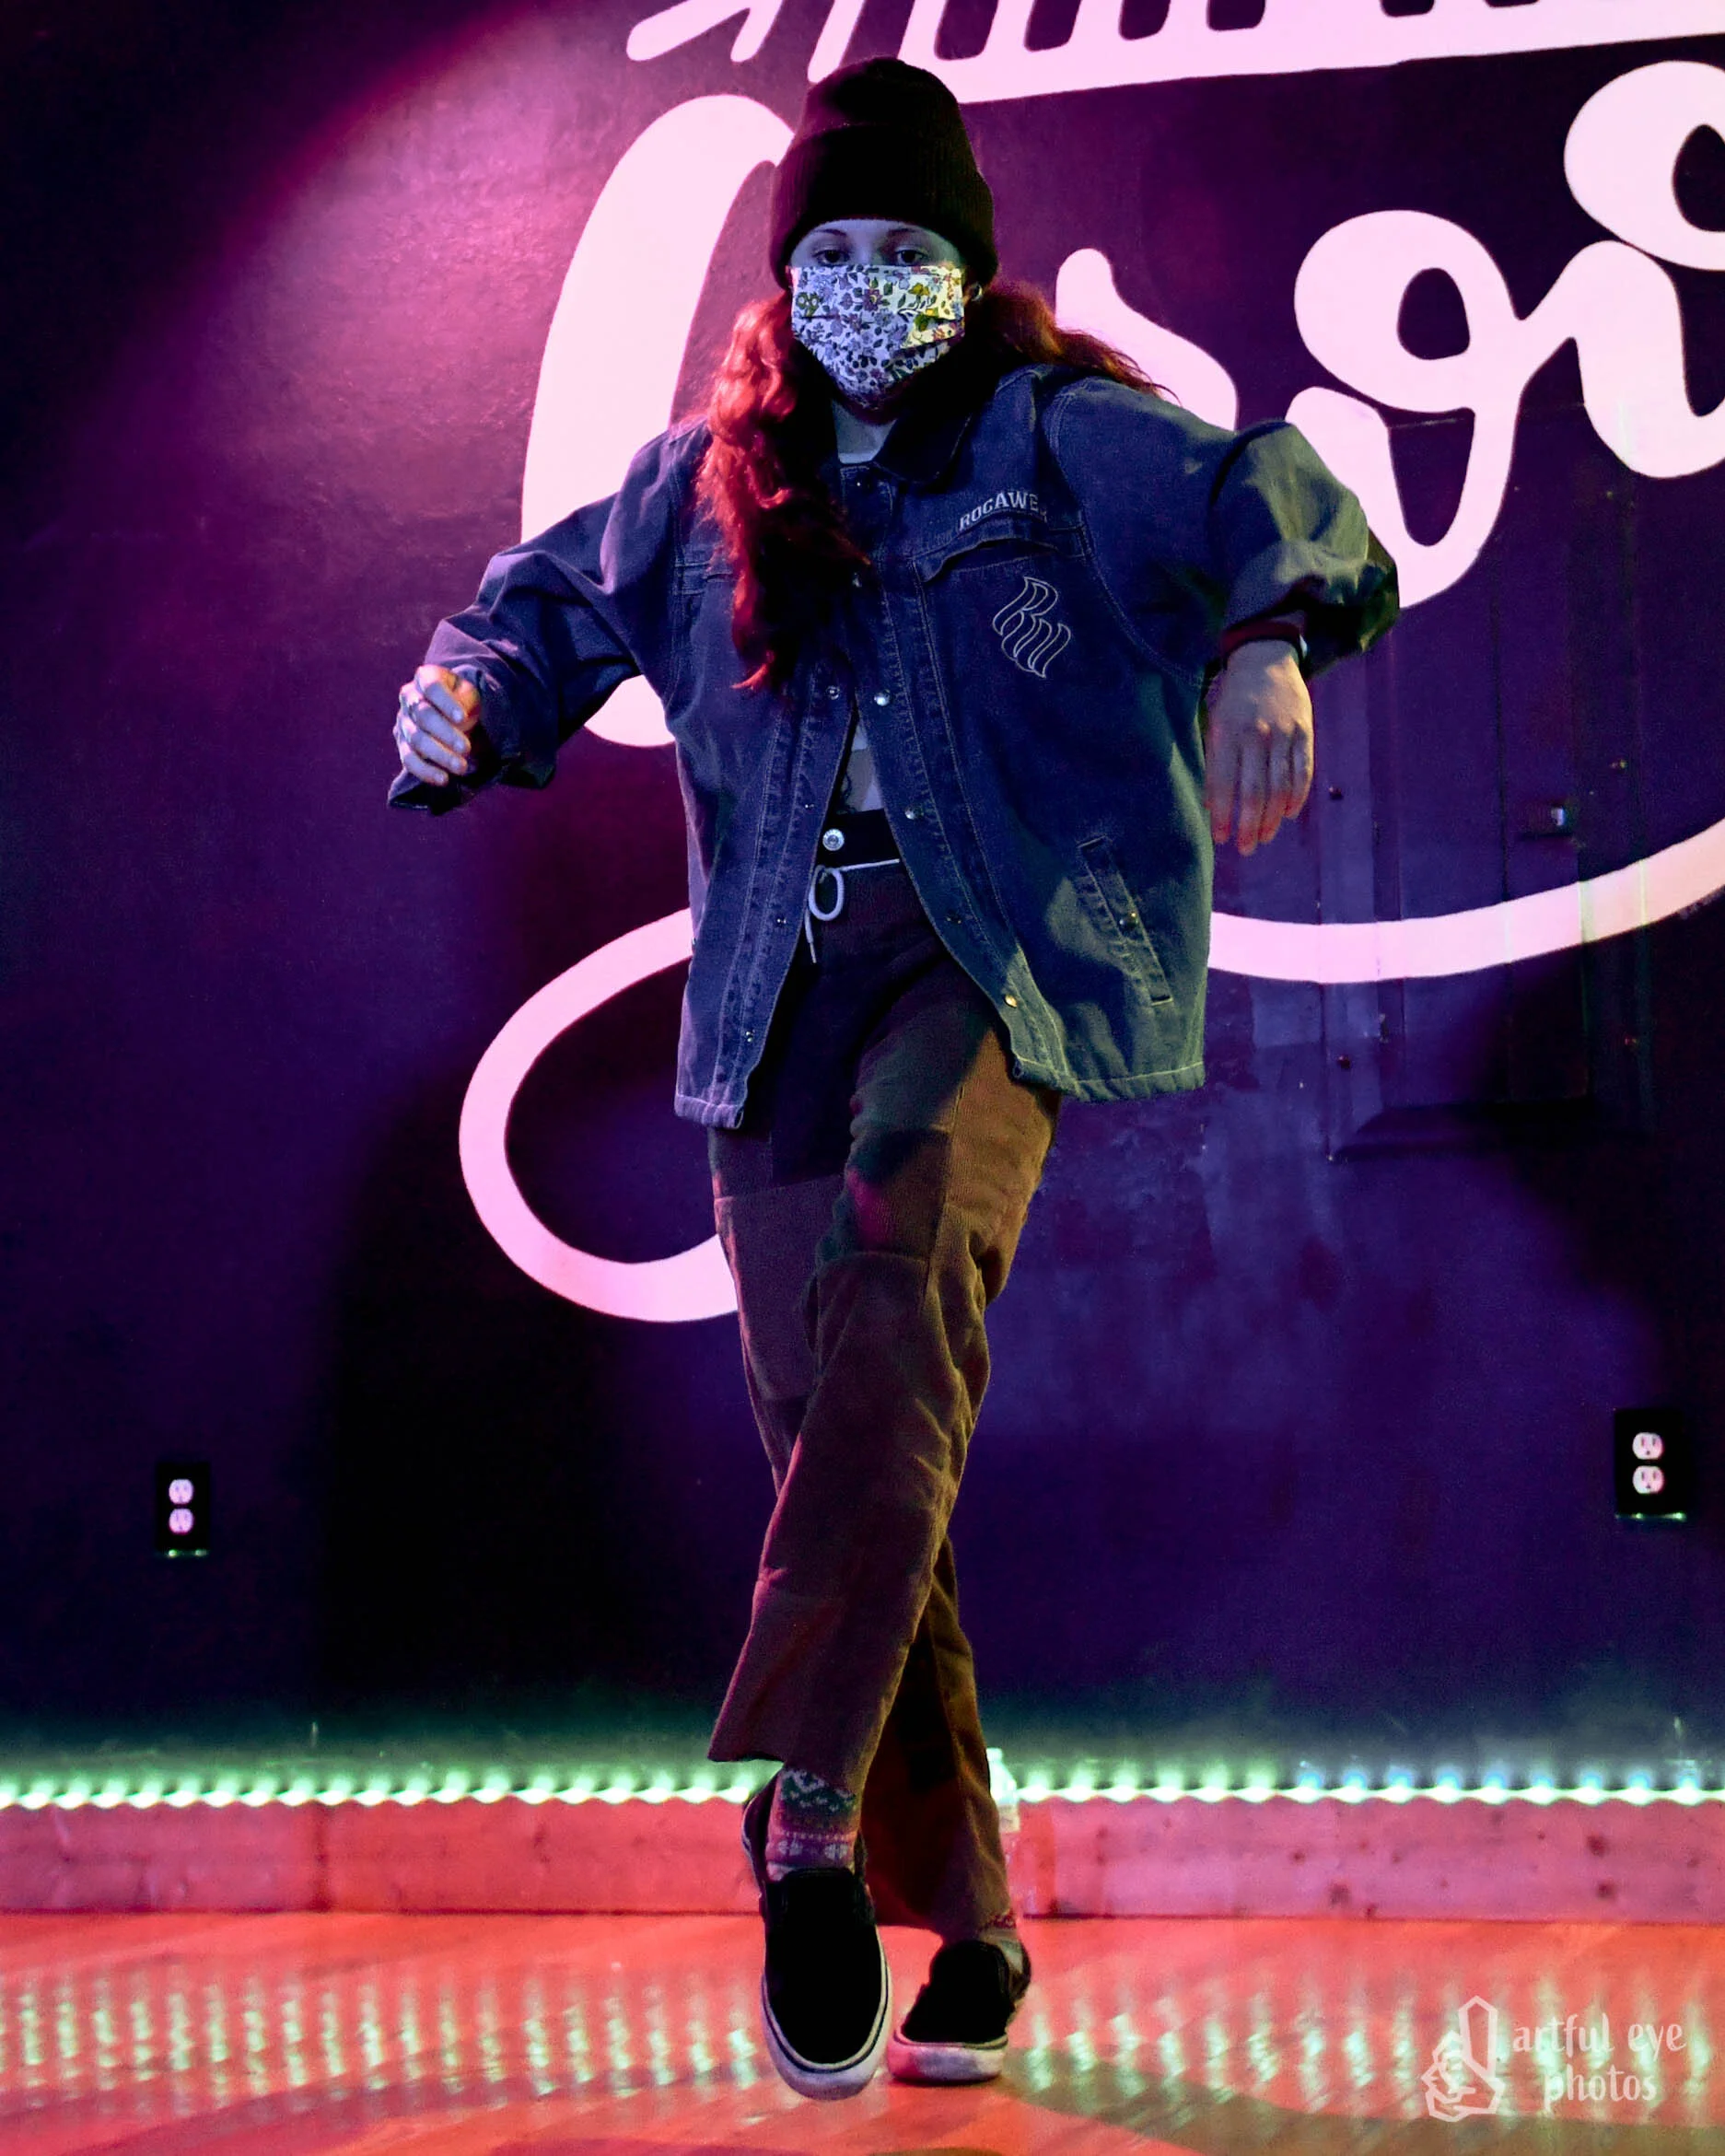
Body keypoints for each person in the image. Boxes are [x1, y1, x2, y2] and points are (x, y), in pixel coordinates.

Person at [390, 56, 1398, 2103]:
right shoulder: (703, 489)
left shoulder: (1051, 436)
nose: (868, 281)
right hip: (777, 988)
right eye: (831, 249)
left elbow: (1271, 499)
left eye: (905, 247)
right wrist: (467, 696)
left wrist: (1268, 643)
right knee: (860, 1442)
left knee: (903, 1254)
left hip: (984, 956)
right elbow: (538, 614)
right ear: (785, 280)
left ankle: (809, 1821)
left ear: (966, 265)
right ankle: (985, 1929)